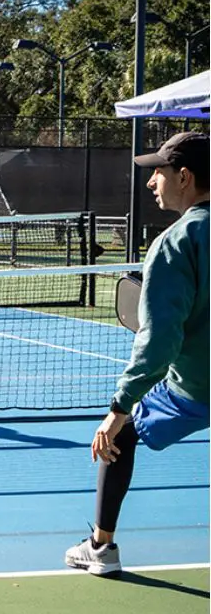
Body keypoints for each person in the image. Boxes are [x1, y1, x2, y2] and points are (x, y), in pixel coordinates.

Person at [65, 131, 209, 577]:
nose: (152, 183)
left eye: (159, 173)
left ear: (183, 177)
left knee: (120, 435)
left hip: (197, 387)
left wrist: (119, 407)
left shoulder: (175, 242)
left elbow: (160, 339)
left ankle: (101, 548)